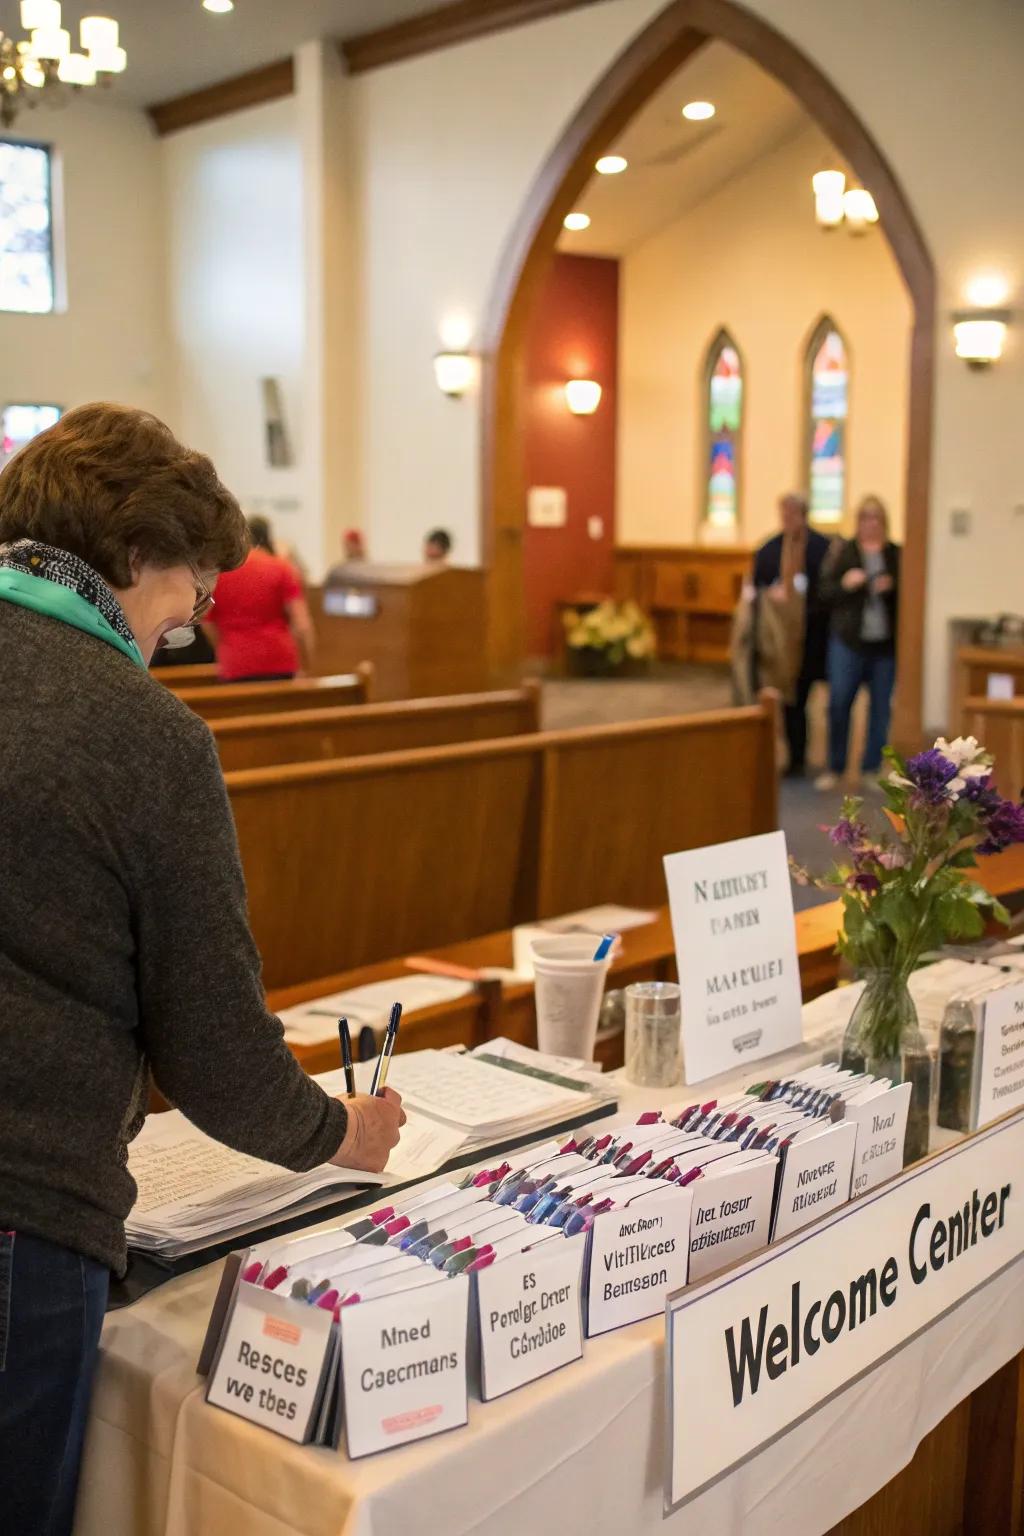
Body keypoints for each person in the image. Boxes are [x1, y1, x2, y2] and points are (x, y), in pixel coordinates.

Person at [0, 403, 405, 1535]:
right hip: (21, 1210)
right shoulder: (145, 735)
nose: (186, 624)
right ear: (135, 557)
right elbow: (215, 1048)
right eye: (190, 587)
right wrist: (341, 1134)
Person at [817, 494, 901, 790]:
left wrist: (892, 587)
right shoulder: (844, 552)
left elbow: (910, 594)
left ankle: (871, 768)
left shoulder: (895, 554)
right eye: (865, 517)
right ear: (858, 522)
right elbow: (824, 592)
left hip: (883, 645)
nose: (871, 523)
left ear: (884, 522)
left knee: (880, 708)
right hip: (848, 640)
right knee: (839, 703)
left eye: (876, 517)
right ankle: (835, 766)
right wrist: (845, 584)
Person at [751, 492, 832, 777]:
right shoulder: (770, 549)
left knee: (813, 697)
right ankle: (795, 759)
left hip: (813, 635)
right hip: (780, 640)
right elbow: (756, 587)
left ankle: (827, 759)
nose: (788, 519)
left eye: (793, 513)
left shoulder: (822, 547)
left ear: (803, 515)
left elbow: (828, 588)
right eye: (784, 513)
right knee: (789, 700)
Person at [206, 513, 315, 682]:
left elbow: (207, 622)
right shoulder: (282, 568)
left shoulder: (222, 573)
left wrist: (225, 648)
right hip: (280, 661)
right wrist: (307, 665)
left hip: (235, 663)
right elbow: (302, 625)